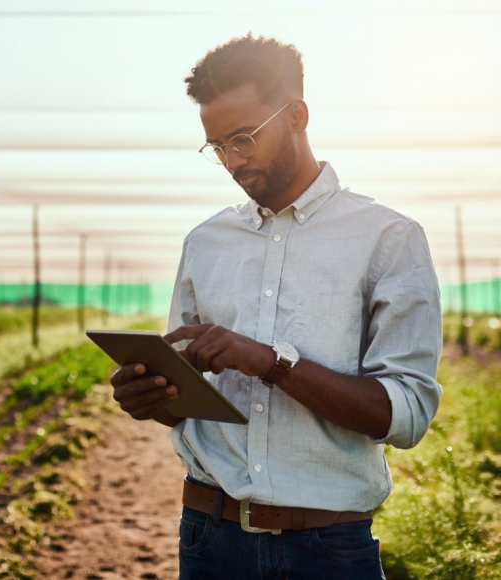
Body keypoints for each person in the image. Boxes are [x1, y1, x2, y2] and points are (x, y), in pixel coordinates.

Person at [109, 34, 443, 579]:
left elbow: (405, 415)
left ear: (296, 115)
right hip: (207, 537)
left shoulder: (388, 239)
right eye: (216, 146)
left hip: (329, 550)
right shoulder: (205, 243)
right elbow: (186, 401)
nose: (231, 162)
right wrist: (152, 397)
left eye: (243, 139)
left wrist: (271, 362)